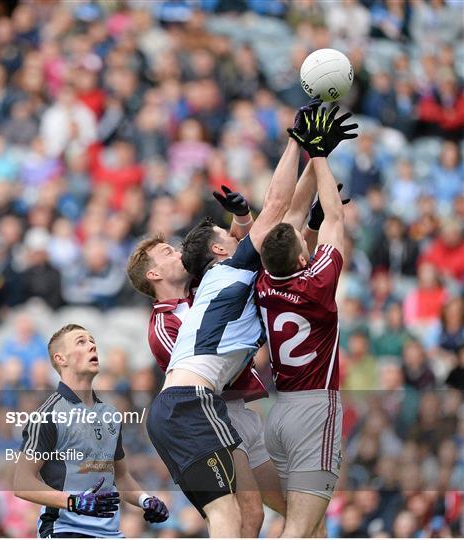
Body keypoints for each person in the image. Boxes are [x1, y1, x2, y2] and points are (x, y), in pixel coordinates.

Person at [144, 97, 350, 536]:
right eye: (230, 234)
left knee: (257, 515)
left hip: (187, 406)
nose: (241, 231)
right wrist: (300, 144)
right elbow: (278, 209)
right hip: (196, 403)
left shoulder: (238, 283)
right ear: (222, 250)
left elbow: (288, 222)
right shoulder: (231, 274)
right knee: (231, 516)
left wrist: (315, 160)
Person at [126, 188, 286, 537]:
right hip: (211, 409)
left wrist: (242, 216)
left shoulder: (203, 286)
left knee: (274, 511)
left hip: (235, 410)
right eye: (168, 252)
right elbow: (200, 360)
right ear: (154, 275)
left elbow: (240, 249)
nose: (180, 251)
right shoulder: (163, 325)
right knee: (241, 513)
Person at [255, 105, 358, 536]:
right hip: (316, 409)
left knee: (310, 529)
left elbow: (294, 217)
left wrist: (312, 156)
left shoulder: (263, 281)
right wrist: (319, 156)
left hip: (279, 414)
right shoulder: (316, 283)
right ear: (302, 256)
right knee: (299, 531)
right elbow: (333, 217)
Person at [13, 324, 169, 538]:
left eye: (92, 341)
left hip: (110, 533)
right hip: (65, 530)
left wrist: (145, 500)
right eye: (81, 342)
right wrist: (73, 502)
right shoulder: (47, 415)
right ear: (61, 359)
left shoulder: (111, 414)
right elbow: (22, 483)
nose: (92, 346)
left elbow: (121, 476)